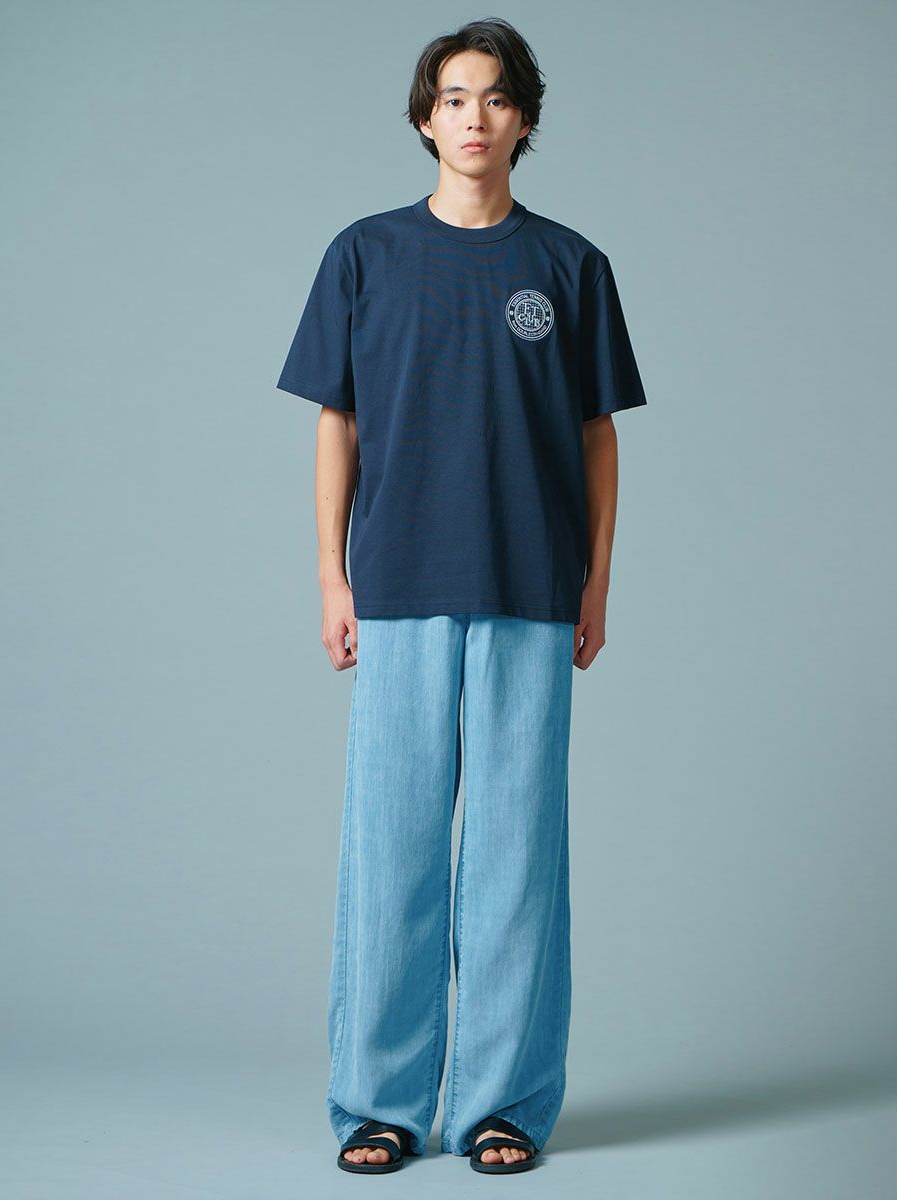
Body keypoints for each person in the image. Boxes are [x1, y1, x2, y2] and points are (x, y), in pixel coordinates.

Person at [275, 17, 647, 1176]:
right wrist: (332, 576)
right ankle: (379, 1105)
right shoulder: (365, 256)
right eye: (451, 98)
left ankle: (503, 1105)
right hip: (396, 587)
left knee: (515, 858)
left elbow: (595, 436)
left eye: (492, 97)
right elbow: (336, 422)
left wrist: (594, 581)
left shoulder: (569, 267)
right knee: (391, 854)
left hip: (531, 587)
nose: (472, 117)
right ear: (424, 118)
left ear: (523, 118)